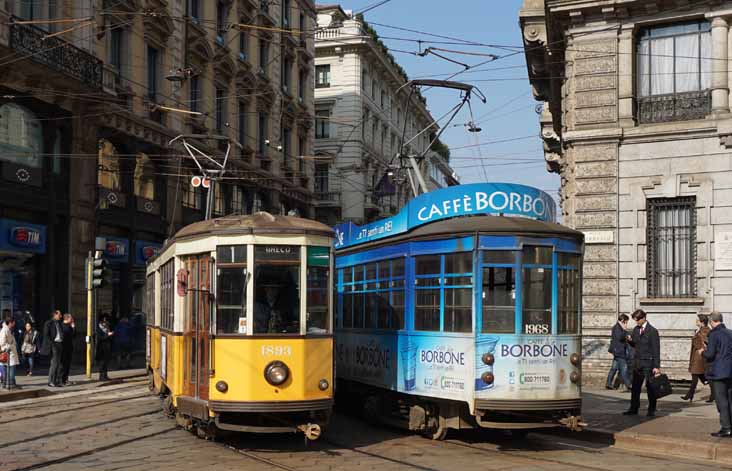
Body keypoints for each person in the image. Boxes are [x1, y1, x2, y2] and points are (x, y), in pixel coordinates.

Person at [624, 309, 661, 417]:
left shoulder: (652, 331)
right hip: (638, 363)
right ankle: (633, 408)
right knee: (635, 388)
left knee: (650, 388)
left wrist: (656, 366)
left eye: (637, 320)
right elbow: (635, 344)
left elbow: (656, 350)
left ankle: (651, 409)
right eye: (635, 320)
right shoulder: (636, 330)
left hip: (648, 363)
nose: (636, 322)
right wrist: (630, 340)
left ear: (643, 318)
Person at [700, 311, 732, 437]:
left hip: (719, 371)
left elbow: (710, 354)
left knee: (721, 400)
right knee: (730, 399)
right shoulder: (730, 333)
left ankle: (726, 427)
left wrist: (702, 352)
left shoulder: (714, 334)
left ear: (712, 321)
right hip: (730, 370)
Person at [681, 314, 712, 402]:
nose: (696, 322)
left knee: (695, 377)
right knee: (703, 378)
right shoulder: (701, 330)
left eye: (697, 320)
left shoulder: (705, 331)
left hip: (699, 359)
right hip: (697, 358)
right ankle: (712, 393)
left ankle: (689, 395)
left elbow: (705, 343)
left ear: (702, 322)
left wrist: (699, 346)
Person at [606, 314, 632, 392]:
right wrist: (625, 330)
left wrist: (627, 335)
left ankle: (608, 383)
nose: (626, 324)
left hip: (617, 351)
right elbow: (620, 337)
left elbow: (622, 337)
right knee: (624, 368)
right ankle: (629, 385)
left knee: (614, 368)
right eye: (626, 322)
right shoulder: (617, 327)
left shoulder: (619, 327)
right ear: (622, 321)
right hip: (619, 351)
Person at [41, 310, 65, 387]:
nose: (60, 316)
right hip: (54, 344)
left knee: (59, 364)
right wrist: (52, 344)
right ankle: (51, 381)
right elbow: (46, 334)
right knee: (54, 363)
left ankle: (57, 381)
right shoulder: (49, 323)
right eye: (59, 315)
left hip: (60, 344)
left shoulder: (59, 323)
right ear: (55, 315)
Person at [0, 316, 20, 389]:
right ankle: (10, 384)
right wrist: (9, 347)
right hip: (8, 352)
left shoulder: (8, 329)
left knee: (10, 368)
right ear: (11, 322)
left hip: (10, 352)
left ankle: (9, 383)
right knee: (11, 368)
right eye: (14, 322)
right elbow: (2, 342)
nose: (14, 324)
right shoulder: (5, 330)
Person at [96, 315, 114, 381]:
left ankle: (105, 375)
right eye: (104, 321)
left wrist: (111, 335)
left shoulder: (107, 328)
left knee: (106, 362)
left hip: (107, 347)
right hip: (101, 348)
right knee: (102, 363)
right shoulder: (98, 329)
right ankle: (101, 376)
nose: (105, 323)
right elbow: (100, 337)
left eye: (106, 321)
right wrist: (107, 335)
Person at [61, 314, 75, 385]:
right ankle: (63, 380)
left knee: (67, 365)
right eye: (71, 318)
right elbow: (69, 335)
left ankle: (65, 379)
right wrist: (72, 328)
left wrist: (73, 327)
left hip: (69, 347)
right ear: (68, 318)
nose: (72, 320)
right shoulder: (63, 326)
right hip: (64, 348)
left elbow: (73, 336)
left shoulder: (69, 326)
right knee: (64, 365)